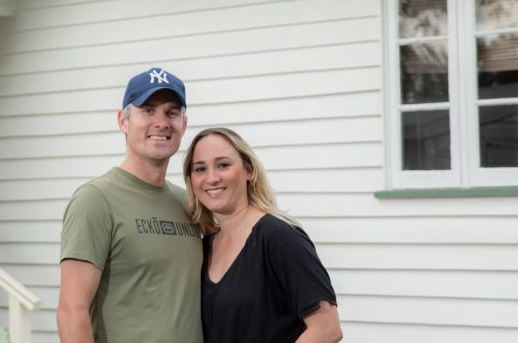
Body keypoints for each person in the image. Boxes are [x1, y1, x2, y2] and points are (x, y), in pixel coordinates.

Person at [57, 67, 203, 343]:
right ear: (123, 121)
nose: (161, 122)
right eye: (148, 110)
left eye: (172, 112)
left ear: (183, 125)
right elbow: (71, 310)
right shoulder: (95, 199)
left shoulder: (189, 203)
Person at [184, 127, 342, 343]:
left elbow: (327, 328)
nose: (211, 178)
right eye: (200, 168)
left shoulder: (278, 236)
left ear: (248, 170)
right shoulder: (203, 246)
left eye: (223, 165)